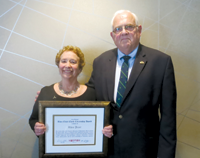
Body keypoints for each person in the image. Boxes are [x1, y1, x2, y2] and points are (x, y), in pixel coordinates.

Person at [86, 10, 177, 158]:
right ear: (112, 35)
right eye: (118, 29)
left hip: (144, 151)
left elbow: (169, 119)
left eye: (129, 27)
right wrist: (59, 94)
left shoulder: (161, 62)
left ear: (139, 30)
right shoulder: (100, 62)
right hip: (108, 150)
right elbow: (89, 97)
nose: (123, 32)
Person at [29, 45, 113, 138]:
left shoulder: (92, 94)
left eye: (73, 62)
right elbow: (33, 119)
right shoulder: (45, 92)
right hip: (54, 150)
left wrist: (106, 130)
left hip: (84, 149)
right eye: (63, 61)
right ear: (58, 65)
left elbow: (102, 122)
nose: (67, 65)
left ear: (80, 68)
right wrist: (36, 127)